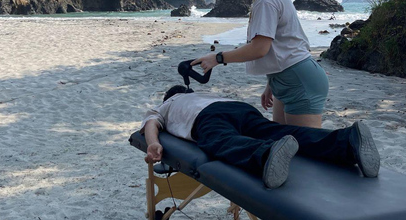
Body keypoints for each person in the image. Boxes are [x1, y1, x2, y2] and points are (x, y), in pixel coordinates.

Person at [192, 0, 329, 128]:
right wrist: (271, 84)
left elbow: (259, 49)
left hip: (299, 80)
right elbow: (284, 43)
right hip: (287, 79)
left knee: (307, 151)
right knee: (283, 143)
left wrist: (218, 58)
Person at [141, 86, 380, 189]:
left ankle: (265, 154)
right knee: (280, 130)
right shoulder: (205, 94)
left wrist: (153, 143)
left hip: (206, 117)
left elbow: (151, 123)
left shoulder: (169, 103)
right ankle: (348, 141)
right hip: (239, 107)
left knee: (220, 142)